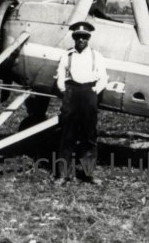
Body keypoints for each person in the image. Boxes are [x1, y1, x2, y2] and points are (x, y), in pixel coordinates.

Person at [55, 21, 108, 185]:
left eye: (84, 37)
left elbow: (104, 77)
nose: (81, 40)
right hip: (71, 94)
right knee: (67, 134)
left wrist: (94, 92)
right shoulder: (67, 55)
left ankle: (88, 173)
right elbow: (60, 77)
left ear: (88, 38)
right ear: (73, 37)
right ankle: (63, 174)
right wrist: (66, 92)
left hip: (89, 94)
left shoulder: (96, 56)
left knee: (89, 135)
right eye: (78, 36)